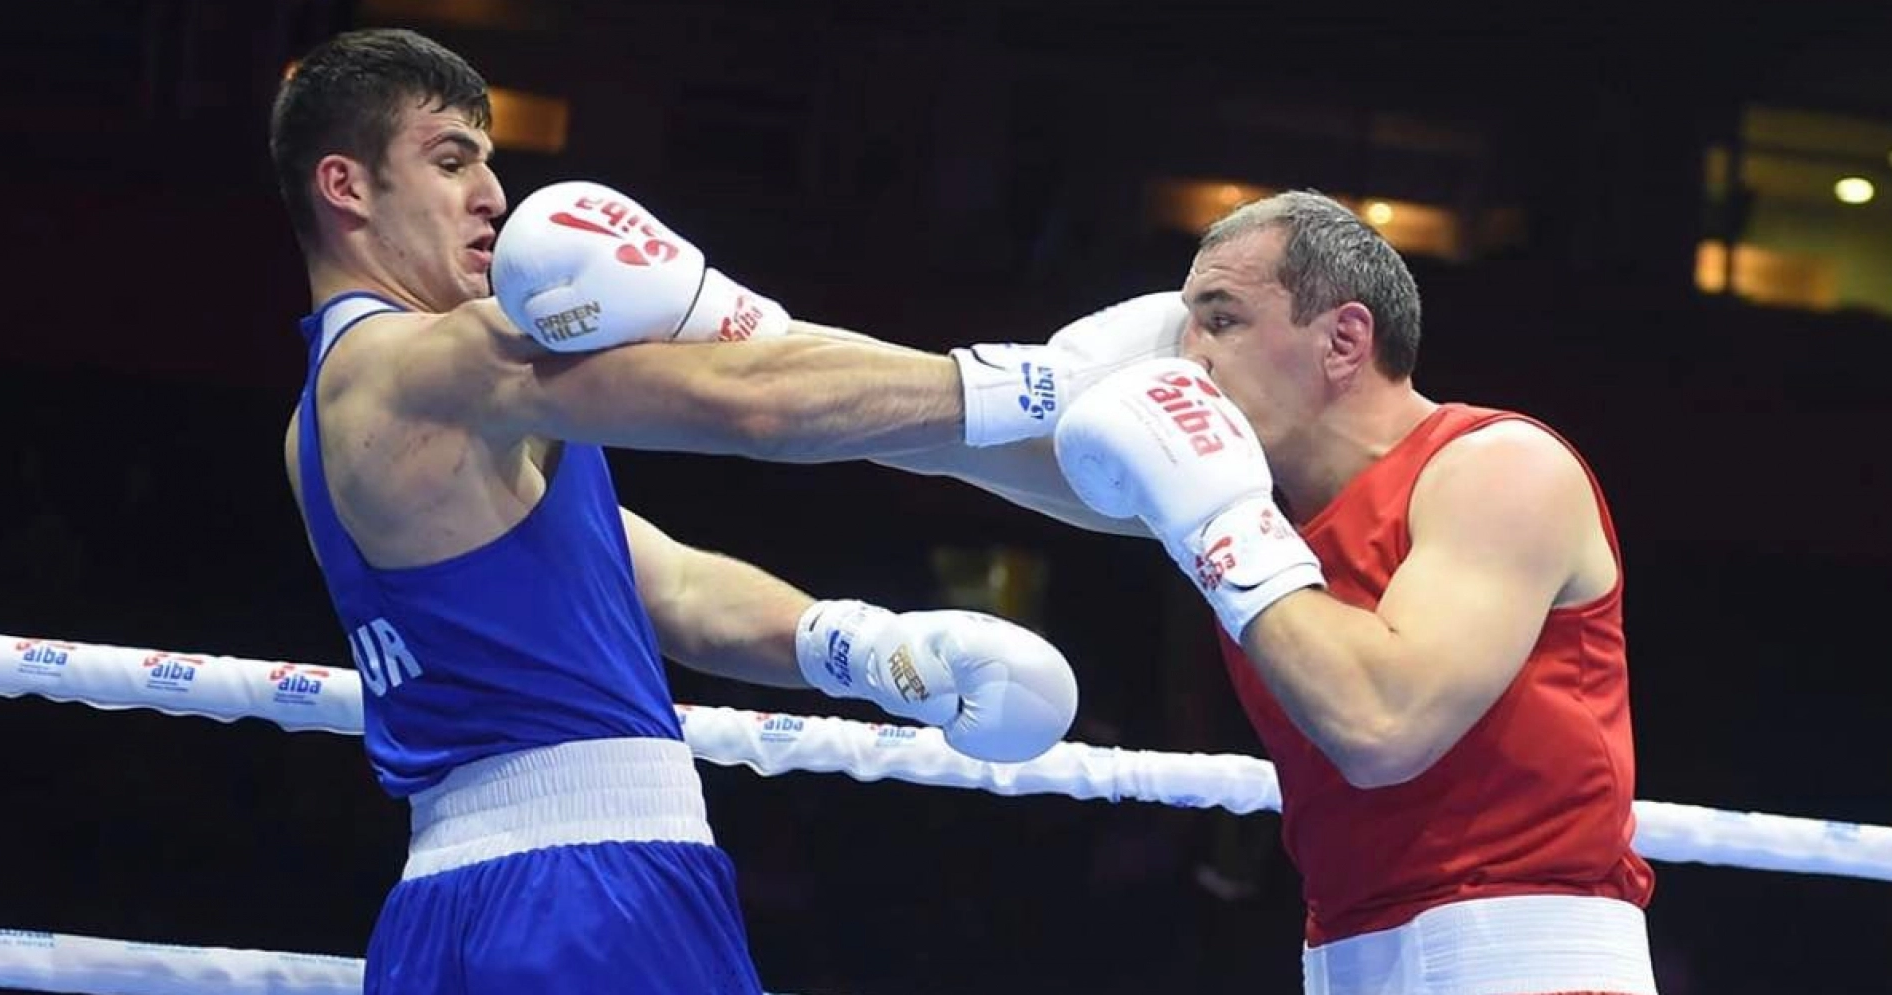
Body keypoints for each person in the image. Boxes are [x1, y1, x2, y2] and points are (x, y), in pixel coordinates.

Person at [269, 28, 1091, 994]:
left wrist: (867, 647)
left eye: (487, 161)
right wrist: (1040, 387)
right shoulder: (440, 360)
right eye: (450, 161)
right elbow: (751, 403)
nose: (492, 194)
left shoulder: (327, 420)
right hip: (587, 894)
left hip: (446, 908)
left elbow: (669, 587)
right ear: (346, 186)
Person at [895, 190, 1658, 994]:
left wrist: (1222, 519)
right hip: (1345, 962)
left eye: (1222, 321)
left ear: (1344, 340)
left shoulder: (1499, 467)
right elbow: (946, 438)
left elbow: (1382, 725)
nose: (1188, 362)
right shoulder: (1280, 524)